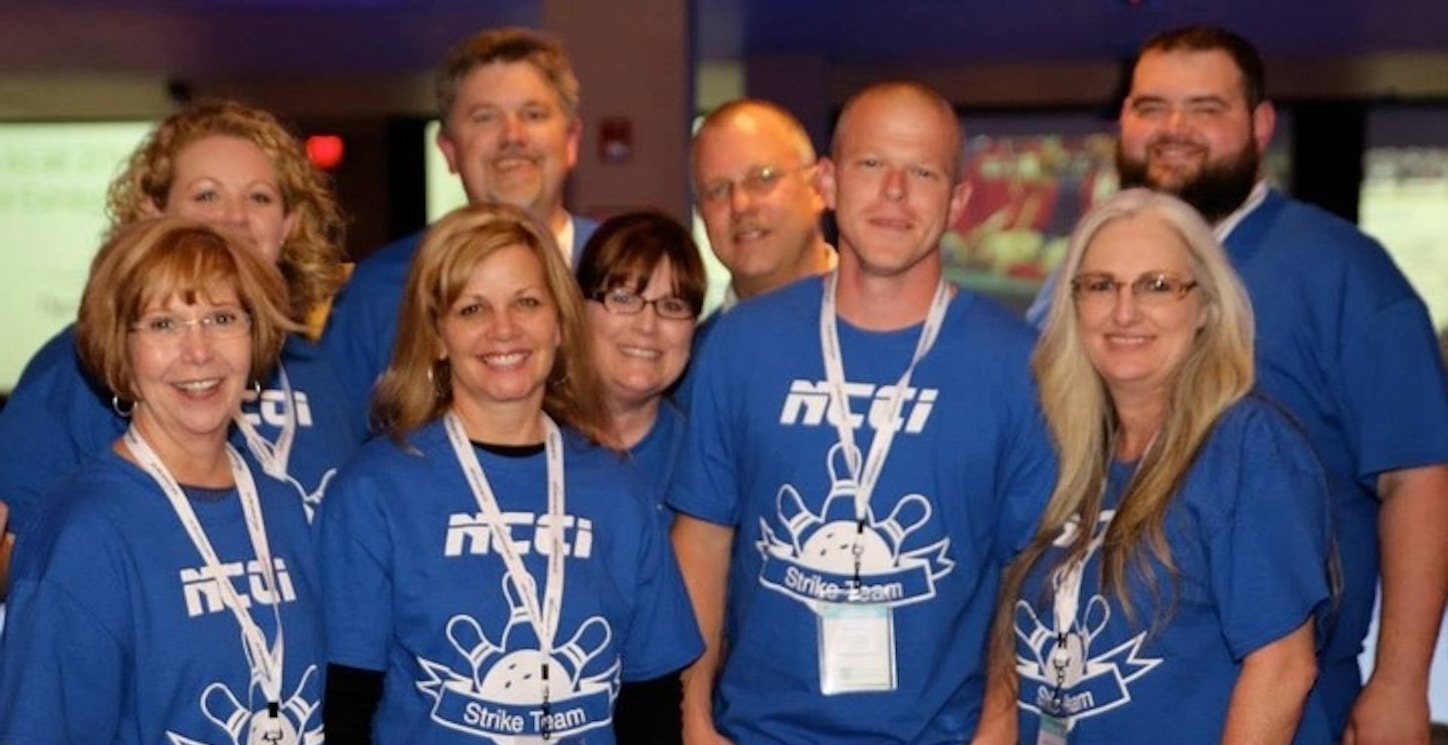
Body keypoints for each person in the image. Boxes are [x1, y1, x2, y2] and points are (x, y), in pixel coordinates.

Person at [1027, 25, 1448, 744]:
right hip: (1098, 684)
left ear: (1259, 124)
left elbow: (1416, 478)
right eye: (1150, 107)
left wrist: (1401, 680)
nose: (1173, 130)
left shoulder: (1342, 272)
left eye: (1204, 107)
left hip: (1269, 695)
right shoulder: (1074, 282)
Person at [668, 81, 1055, 744]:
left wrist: (997, 727)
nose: (895, 192)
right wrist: (695, 719)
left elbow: (1027, 573)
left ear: (959, 199)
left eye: (923, 172)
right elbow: (704, 540)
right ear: (828, 180)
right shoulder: (742, 344)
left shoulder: (1020, 365)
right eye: (872, 165)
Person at [316, 203, 702, 744]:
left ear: (562, 323)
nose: (504, 330)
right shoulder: (374, 492)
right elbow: (346, 705)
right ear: (436, 335)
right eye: (473, 309)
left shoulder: (617, 488)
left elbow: (652, 701)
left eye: (526, 303)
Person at [980, 188, 1333, 745]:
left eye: (1158, 286)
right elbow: (1011, 662)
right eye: (1101, 286)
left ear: (1206, 308)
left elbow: (1283, 670)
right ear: (1073, 305)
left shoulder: (1246, 449)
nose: (1125, 312)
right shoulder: (1056, 452)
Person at [0, 217, 326, 742]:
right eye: (163, 324)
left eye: (222, 318)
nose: (199, 352)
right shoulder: (84, 532)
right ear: (120, 352)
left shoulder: (281, 508)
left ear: (255, 333)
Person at [0, 99, 361, 536]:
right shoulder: (79, 366)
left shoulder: (322, 370)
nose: (234, 217)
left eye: (259, 197)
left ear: (287, 226)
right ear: (153, 214)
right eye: (206, 194)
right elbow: (17, 547)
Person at [323, 26, 599, 418]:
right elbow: (340, 439)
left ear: (571, 140)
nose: (512, 136)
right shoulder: (380, 289)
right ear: (449, 150)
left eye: (533, 114)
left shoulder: (625, 274)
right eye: (485, 117)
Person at [575, 210, 707, 506]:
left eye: (672, 306)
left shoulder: (705, 460)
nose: (647, 325)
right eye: (623, 298)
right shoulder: (527, 438)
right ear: (577, 310)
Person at [691, 99, 834, 335]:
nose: (740, 205)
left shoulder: (898, 330)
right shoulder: (692, 361)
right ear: (700, 213)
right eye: (717, 190)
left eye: (762, 178)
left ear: (817, 188)